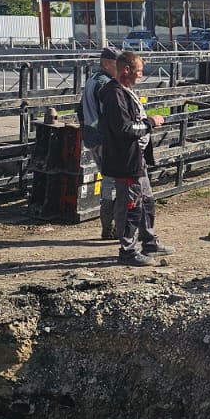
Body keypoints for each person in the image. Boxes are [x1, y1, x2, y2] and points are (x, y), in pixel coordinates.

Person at [98, 51, 174, 266]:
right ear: (127, 70)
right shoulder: (114, 94)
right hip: (125, 159)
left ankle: (148, 241)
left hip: (135, 157)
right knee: (131, 204)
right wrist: (150, 123)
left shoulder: (125, 91)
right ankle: (128, 250)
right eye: (139, 71)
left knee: (146, 200)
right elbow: (123, 128)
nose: (141, 75)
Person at [79, 47, 121, 239]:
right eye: (116, 64)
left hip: (92, 135)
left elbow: (80, 110)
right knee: (112, 183)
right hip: (106, 138)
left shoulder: (92, 80)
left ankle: (107, 227)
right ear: (106, 64)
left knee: (107, 180)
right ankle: (110, 227)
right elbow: (112, 114)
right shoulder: (105, 84)